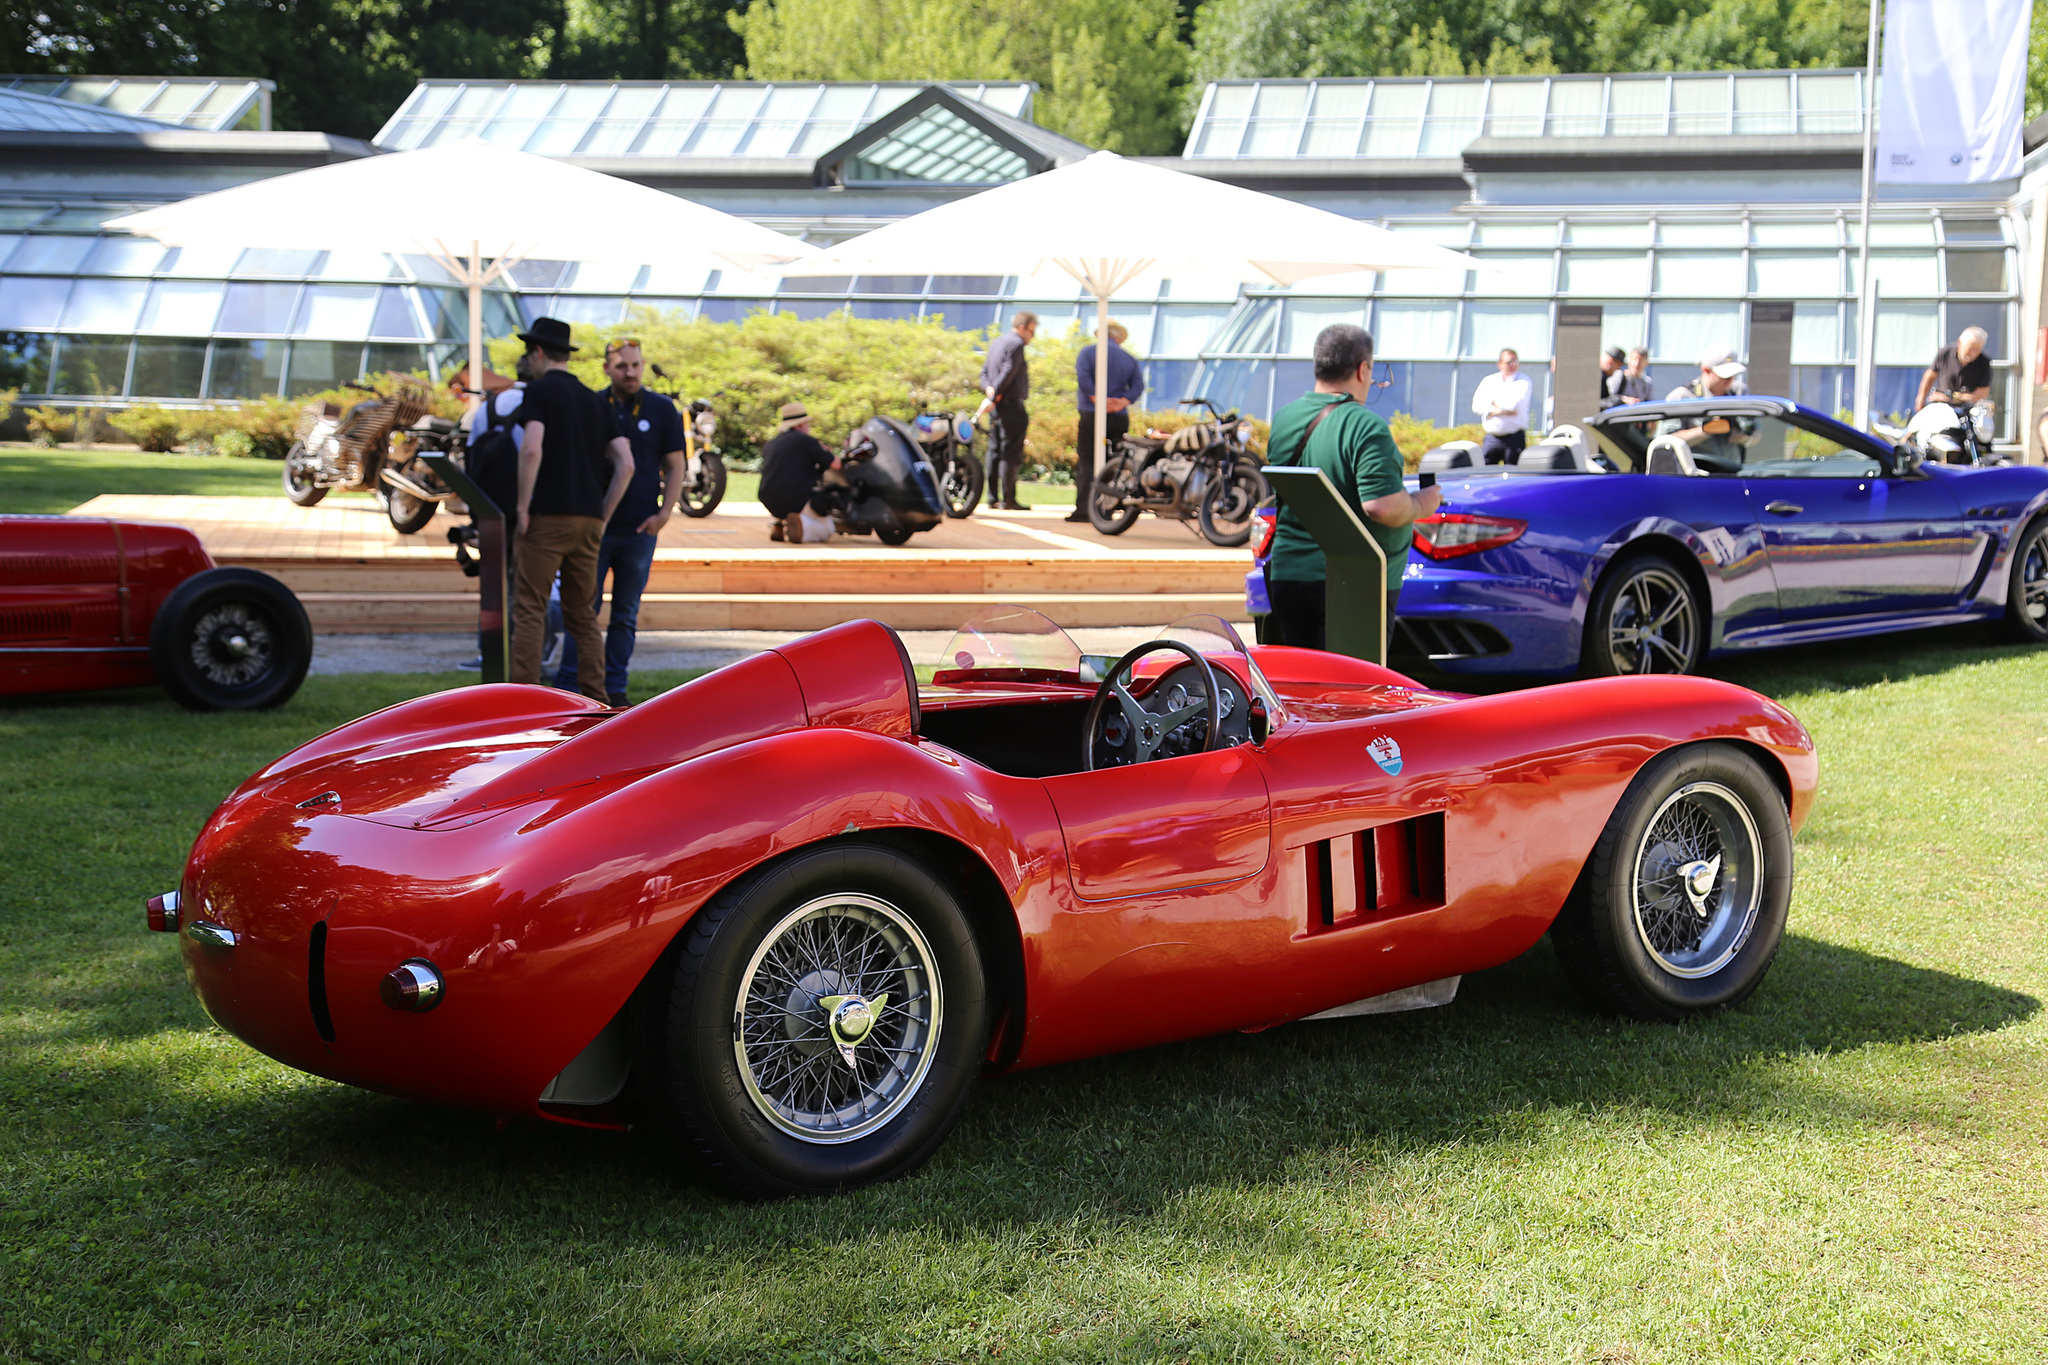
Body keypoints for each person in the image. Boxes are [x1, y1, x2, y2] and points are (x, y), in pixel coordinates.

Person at [1264, 323, 1442, 651]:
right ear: (1363, 369)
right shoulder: (1364, 426)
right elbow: (1382, 506)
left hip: (1288, 576)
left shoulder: (1285, 419)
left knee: (1301, 689)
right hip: (1350, 585)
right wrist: (1420, 504)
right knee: (1350, 694)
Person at [551, 338, 687, 708]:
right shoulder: (592, 405)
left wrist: (665, 513)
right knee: (582, 610)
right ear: (607, 368)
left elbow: (676, 465)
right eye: (622, 366)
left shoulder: (661, 408)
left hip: (640, 528)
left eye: (636, 365)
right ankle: (568, 686)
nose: (630, 372)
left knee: (625, 614)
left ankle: (615, 688)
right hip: (594, 529)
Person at [509, 317, 633, 701]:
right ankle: (597, 700)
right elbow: (626, 463)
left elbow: (532, 449)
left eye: (529, 353)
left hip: (547, 516)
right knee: (582, 614)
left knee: (531, 607)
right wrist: (604, 512)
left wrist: (523, 507)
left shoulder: (540, 393)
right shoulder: (594, 400)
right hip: (589, 518)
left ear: (539, 352)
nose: (527, 361)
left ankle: (523, 702)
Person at [1072, 319, 1143, 524]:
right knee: (1115, 463)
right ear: (1119, 338)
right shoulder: (1129, 359)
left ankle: (1084, 509)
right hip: (1118, 416)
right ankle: (1107, 508)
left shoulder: (1087, 353)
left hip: (1091, 413)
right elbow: (1138, 386)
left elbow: (1083, 377)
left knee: (1087, 459)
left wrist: (1097, 398)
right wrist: (1121, 402)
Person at [1660, 346, 1754, 469]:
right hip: (1697, 475)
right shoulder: (1683, 396)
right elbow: (1666, 441)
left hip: (1733, 472)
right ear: (1706, 370)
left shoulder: (1739, 393)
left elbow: (1755, 431)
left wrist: (1743, 436)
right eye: (1724, 375)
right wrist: (1705, 431)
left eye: (1733, 374)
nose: (1730, 379)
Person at [758, 400, 839, 543]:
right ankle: (802, 530)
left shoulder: (772, 443)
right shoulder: (806, 441)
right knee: (828, 528)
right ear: (801, 424)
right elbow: (835, 464)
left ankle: (779, 522)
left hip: (768, 497)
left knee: (785, 487)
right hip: (796, 499)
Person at [979, 311, 1036, 510]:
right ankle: (1008, 499)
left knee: (995, 449)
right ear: (1022, 328)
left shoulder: (998, 342)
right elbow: (1008, 371)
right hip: (1010, 404)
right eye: (1031, 331)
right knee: (1010, 452)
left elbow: (984, 372)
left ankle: (992, 496)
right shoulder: (1016, 344)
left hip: (997, 405)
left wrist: (990, 390)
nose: (1032, 337)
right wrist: (996, 394)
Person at [1470, 348, 1532, 463]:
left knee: (1514, 475)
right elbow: (1477, 406)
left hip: (1514, 438)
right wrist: (1498, 409)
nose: (1513, 365)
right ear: (1500, 364)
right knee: (1486, 474)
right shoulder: (1489, 381)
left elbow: (1513, 406)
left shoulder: (1523, 381)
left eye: (1515, 361)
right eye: (1509, 362)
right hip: (1492, 438)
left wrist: (1493, 403)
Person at [1916, 326, 1992, 410]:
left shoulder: (1984, 363)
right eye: (1970, 349)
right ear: (1959, 343)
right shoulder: (1945, 353)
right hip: (1941, 407)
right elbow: (1930, 375)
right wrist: (1921, 398)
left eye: (1977, 350)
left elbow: (1980, 397)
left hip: (1967, 410)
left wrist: (1950, 397)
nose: (1973, 353)